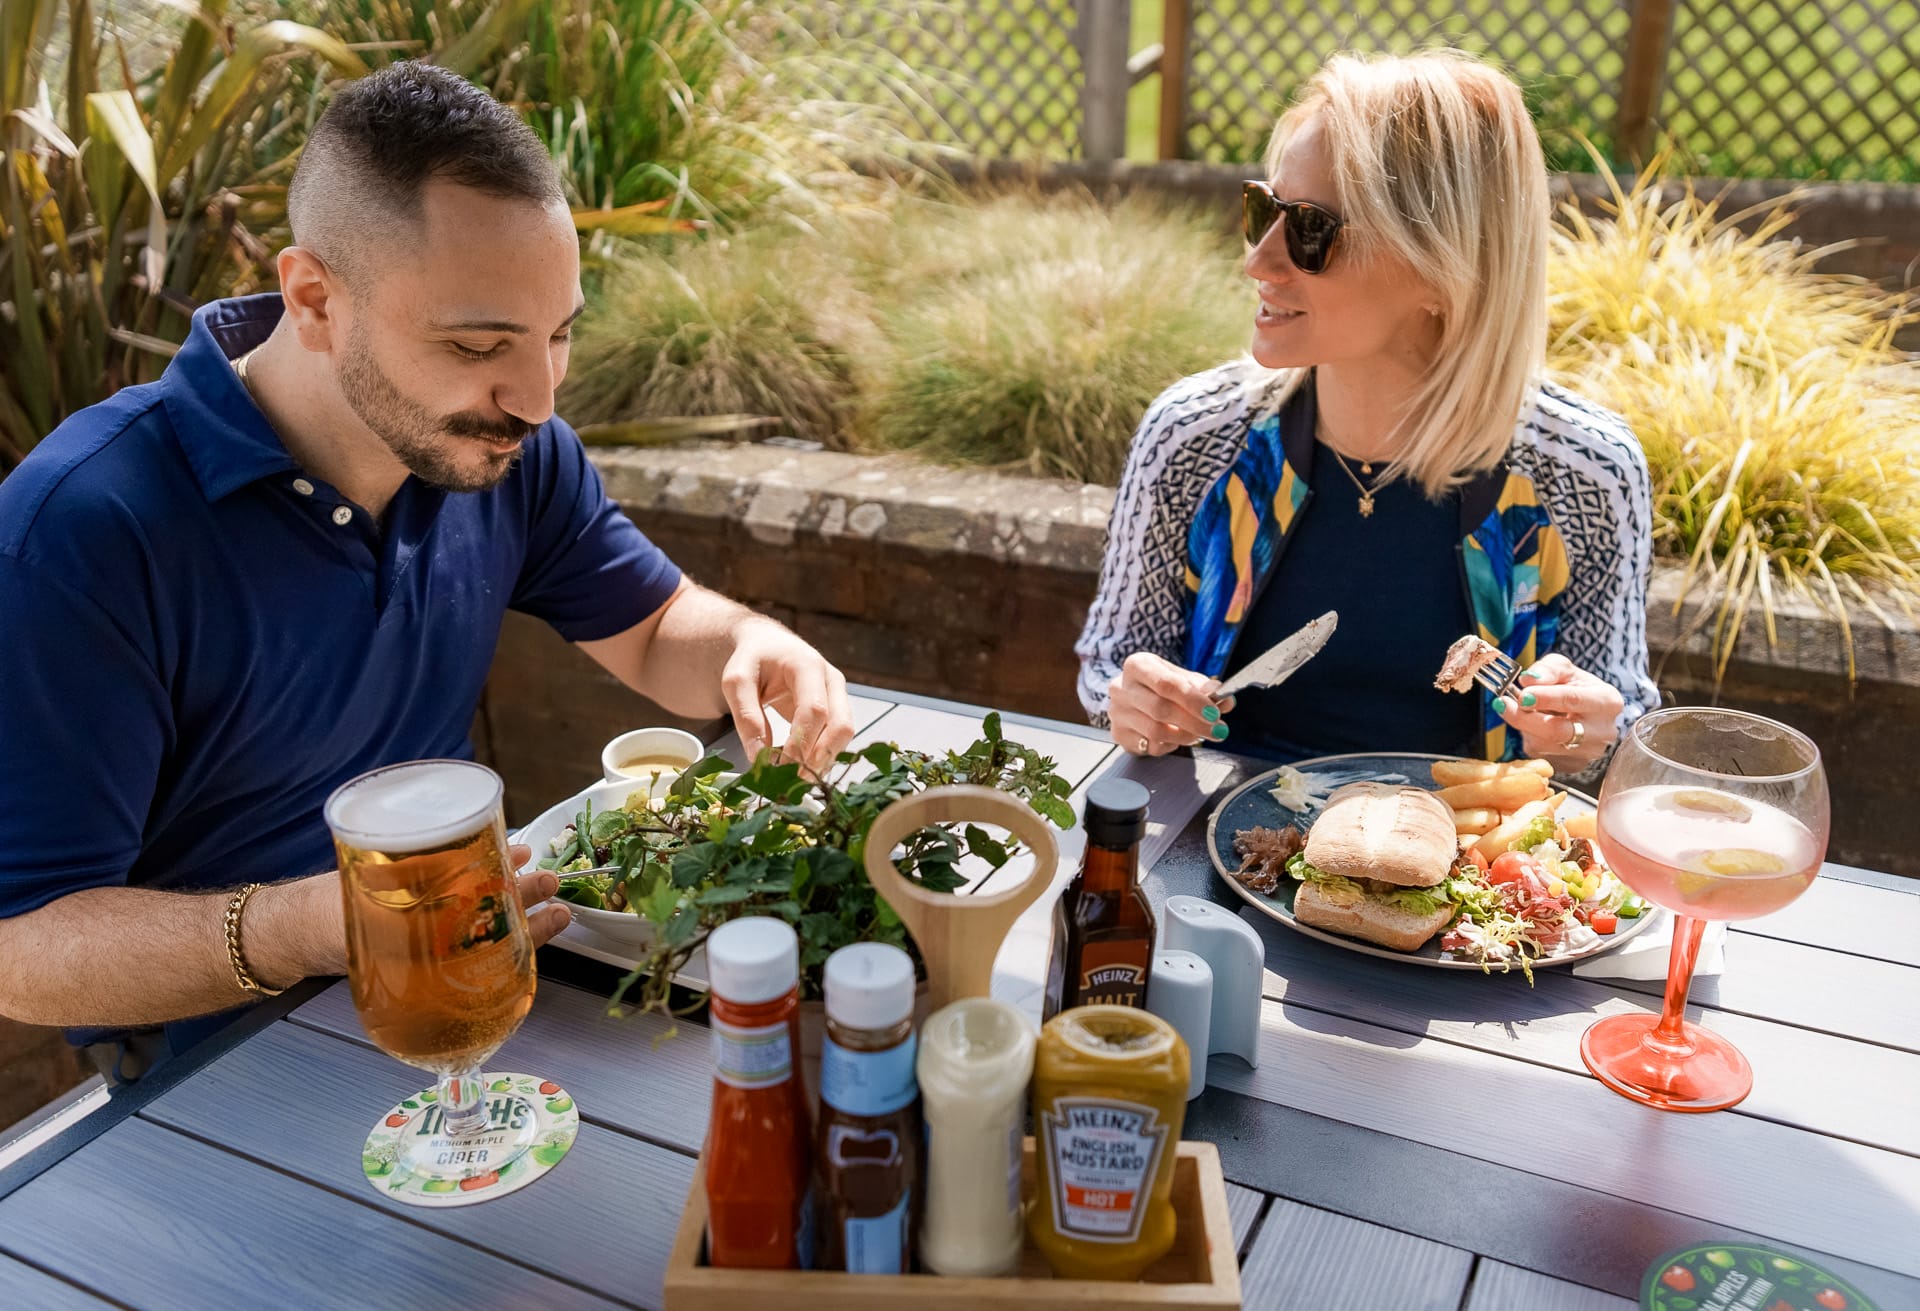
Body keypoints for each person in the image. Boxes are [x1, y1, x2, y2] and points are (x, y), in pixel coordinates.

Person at [0, 62, 857, 1079]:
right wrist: (320, 926)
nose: (538, 396)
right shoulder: (80, 532)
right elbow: (23, 954)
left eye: (559, 334)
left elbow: (658, 627)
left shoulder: (505, 449)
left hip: (497, 995)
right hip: (223, 1071)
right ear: (314, 297)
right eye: (481, 343)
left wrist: (749, 647)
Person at [1076, 50, 1659, 776]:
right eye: (1264, 210)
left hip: (1470, 868)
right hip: (1211, 849)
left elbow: (1622, 725)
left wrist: (1584, 733)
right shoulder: (1191, 436)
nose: (1258, 260)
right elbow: (1107, 668)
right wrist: (1132, 703)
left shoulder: (1589, 471)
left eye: (1310, 230)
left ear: (1444, 271)